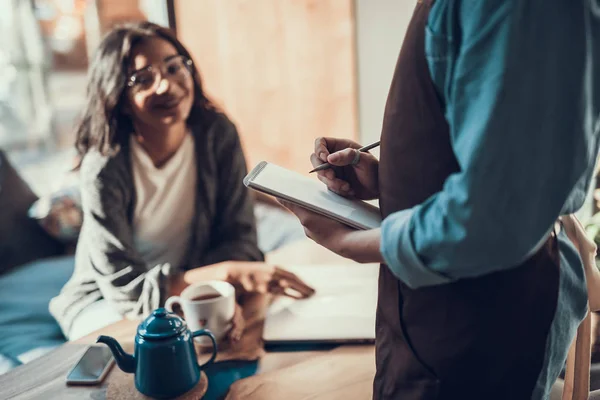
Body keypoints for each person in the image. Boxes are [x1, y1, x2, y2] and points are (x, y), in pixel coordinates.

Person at [281, 1, 600, 399]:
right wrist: (395, 179)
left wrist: (349, 243)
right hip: (440, 319)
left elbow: (495, 214)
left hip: (478, 330)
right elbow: (503, 162)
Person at [50, 22, 313, 341]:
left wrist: (218, 292)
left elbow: (240, 236)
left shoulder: (217, 134)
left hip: (195, 281)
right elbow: (125, 289)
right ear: (119, 96)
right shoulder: (103, 165)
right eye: (143, 79)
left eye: (174, 67)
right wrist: (225, 277)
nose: (167, 86)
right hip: (106, 301)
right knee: (153, 354)